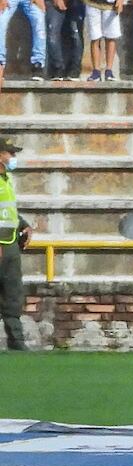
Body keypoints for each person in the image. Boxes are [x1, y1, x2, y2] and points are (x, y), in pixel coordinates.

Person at [0, 137, 24, 349]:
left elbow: (7, 211)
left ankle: (17, 341)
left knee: (13, 294)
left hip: (10, 244)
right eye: (10, 153)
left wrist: (24, 225)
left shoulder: (6, 179)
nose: (13, 157)